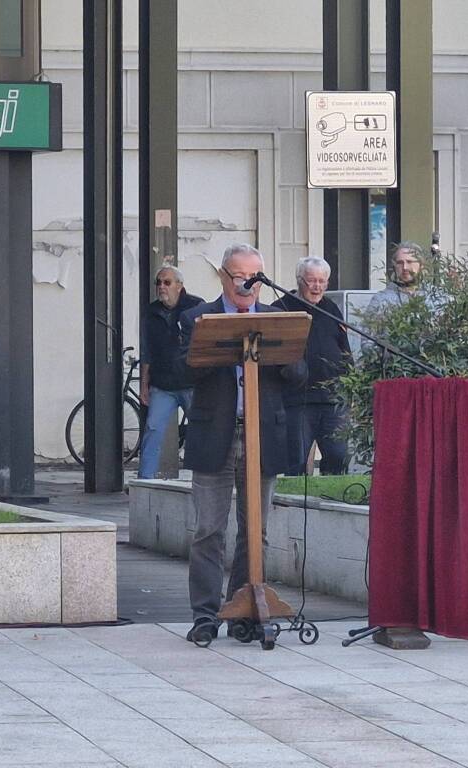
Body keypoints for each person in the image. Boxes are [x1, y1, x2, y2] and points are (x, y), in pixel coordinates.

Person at [176, 244, 307, 642]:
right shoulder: (197, 317)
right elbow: (181, 369)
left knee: (256, 531)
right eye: (238, 276)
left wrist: (275, 352)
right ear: (223, 277)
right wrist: (220, 345)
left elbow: (300, 374)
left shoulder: (278, 318)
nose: (246, 284)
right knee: (208, 530)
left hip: (262, 434)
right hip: (214, 432)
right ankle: (205, 615)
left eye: (254, 276)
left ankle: (245, 610)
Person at [273, 256, 352, 476]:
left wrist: (350, 385)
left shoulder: (331, 308)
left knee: (339, 455)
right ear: (299, 281)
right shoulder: (280, 308)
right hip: (297, 399)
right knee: (296, 460)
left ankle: (331, 497)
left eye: (322, 281)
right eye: (311, 281)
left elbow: (344, 348)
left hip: (333, 399)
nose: (317, 286)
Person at [137, 266, 203, 479]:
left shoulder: (196, 306)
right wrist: (143, 385)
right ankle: (144, 480)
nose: (161, 286)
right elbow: (147, 350)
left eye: (167, 282)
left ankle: (201, 478)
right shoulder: (151, 311)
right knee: (153, 429)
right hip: (162, 384)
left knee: (200, 430)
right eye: (159, 282)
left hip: (191, 382)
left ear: (179, 285)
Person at [366, 241, 429, 314]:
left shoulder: (436, 297)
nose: (405, 267)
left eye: (409, 262)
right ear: (394, 267)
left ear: (421, 265)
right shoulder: (381, 300)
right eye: (400, 263)